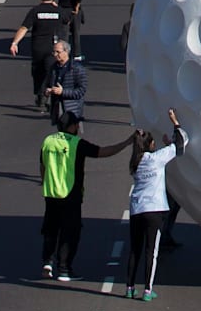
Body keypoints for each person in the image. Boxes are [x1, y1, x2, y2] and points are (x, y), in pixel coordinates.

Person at [40, 112, 135, 282]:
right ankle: (64, 269)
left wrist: (45, 183)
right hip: (70, 195)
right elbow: (103, 152)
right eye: (76, 125)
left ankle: (47, 262)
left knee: (50, 229)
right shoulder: (77, 144)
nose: (78, 128)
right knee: (70, 233)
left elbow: (43, 166)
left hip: (51, 194)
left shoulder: (48, 141)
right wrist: (127, 142)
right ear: (71, 127)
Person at [127, 111, 187, 300]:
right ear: (150, 145)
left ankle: (129, 287)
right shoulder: (156, 159)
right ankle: (147, 289)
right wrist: (175, 123)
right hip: (154, 210)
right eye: (153, 142)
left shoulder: (134, 162)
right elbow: (180, 145)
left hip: (136, 209)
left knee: (135, 249)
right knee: (151, 252)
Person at [9, 0, 71, 111]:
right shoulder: (58, 10)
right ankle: (49, 94)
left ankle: (40, 94)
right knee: (51, 71)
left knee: (38, 72)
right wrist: (56, 7)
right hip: (53, 48)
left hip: (37, 47)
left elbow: (24, 28)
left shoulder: (35, 11)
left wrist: (15, 43)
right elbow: (67, 20)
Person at [47, 39, 88, 124]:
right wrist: (48, 91)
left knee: (69, 136)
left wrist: (63, 92)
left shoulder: (77, 69)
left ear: (66, 52)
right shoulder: (53, 68)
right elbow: (49, 84)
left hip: (72, 110)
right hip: (57, 109)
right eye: (54, 52)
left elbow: (81, 91)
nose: (55, 55)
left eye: (58, 52)